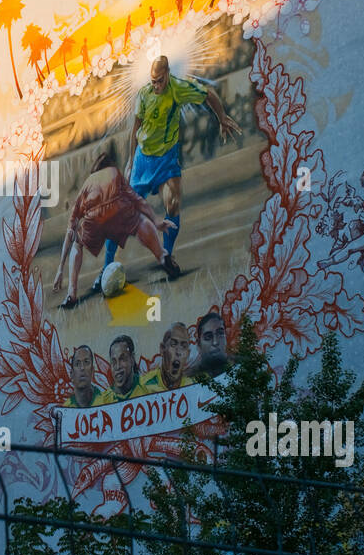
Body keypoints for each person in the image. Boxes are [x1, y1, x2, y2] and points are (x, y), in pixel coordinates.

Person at [97, 55, 241, 289]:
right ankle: (105, 269)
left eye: (160, 81)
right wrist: (130, 160)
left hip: (166, 160)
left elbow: (208, 94)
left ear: (167, 75)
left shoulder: (178, 89)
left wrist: (222, 118)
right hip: (143, 162)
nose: (156, 85)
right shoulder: (144, 95)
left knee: (173, 203)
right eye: (153, 81)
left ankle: (166, 255)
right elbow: (135, 128)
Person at [52, 151, 179, 309]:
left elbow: (70, 230)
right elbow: (138, 201)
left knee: (77, 243)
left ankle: (71, 293)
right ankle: (162, 256)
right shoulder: (115, 173)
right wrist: (156, 220)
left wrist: (60, 269)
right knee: (140, 221)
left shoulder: (87, 184)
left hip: (94, 217)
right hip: (118, 209)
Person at [94, 335, 150, 404]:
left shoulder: (148, 391)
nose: (117, 367)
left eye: (122, 359)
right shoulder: (103, 402)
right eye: (113, 361)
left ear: (132, 359)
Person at [141, 323, 192, 394]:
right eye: (173, 344)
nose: (178, 352)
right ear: (162, 349)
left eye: (184, 346)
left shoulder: (191, 387)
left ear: (188, 354)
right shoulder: (145, 386)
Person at [189, 311, 230, 381]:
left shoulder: (241, 367)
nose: (215, 342)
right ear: (199, 345)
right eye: (208, 337)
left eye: (220, 333)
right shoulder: (189, 379)